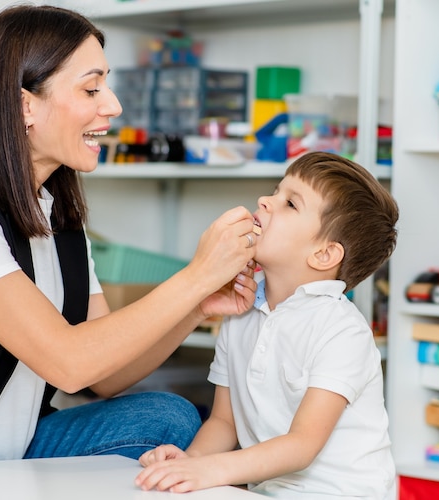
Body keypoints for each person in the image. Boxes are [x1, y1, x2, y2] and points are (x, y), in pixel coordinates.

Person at [0, 5, 260, 467]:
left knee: (166, 417)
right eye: (91, 88)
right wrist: (196, 275)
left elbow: (105, 377)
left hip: (15, 452)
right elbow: (70, 363)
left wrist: (197, 308)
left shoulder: (59, 216)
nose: (113, 106)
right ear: (26, 105)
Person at [136, 151, 398, 499]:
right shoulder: (241, 310)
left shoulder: (341, 329)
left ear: (323, 255)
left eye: (290, 203)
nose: (265, 200)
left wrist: (211, 470)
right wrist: (190, 460)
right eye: (276, 190)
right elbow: (223, 422)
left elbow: (302, 445)